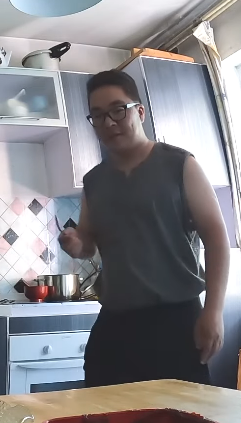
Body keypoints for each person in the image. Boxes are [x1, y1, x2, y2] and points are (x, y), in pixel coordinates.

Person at [60, 69, 230, 388]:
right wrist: (74, 242)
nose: (109, 122)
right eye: (98, 115)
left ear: (139, 111)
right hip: (115, 322)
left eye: (117, 110)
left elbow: (217, 239)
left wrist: (213, 311)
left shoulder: (180, 164)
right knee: (104, 412)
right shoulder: (93, 181)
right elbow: (88, 244)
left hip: (176, 320)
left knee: (179, 414)